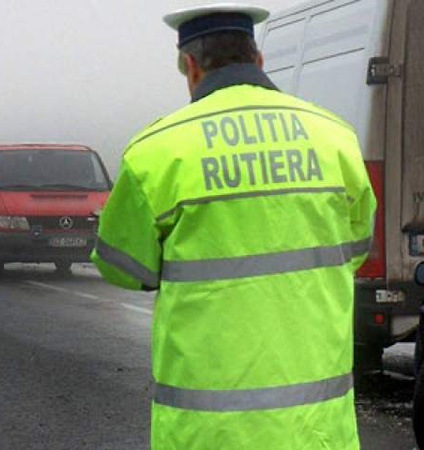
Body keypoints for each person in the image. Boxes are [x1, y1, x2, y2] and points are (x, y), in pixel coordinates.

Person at [91, 3, 376, 449]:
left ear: (190, 65)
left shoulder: (156, 151)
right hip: (319, 432)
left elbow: (122, 267)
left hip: (208, 434)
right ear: (258, 59)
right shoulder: (335, 138)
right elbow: (355, 248)